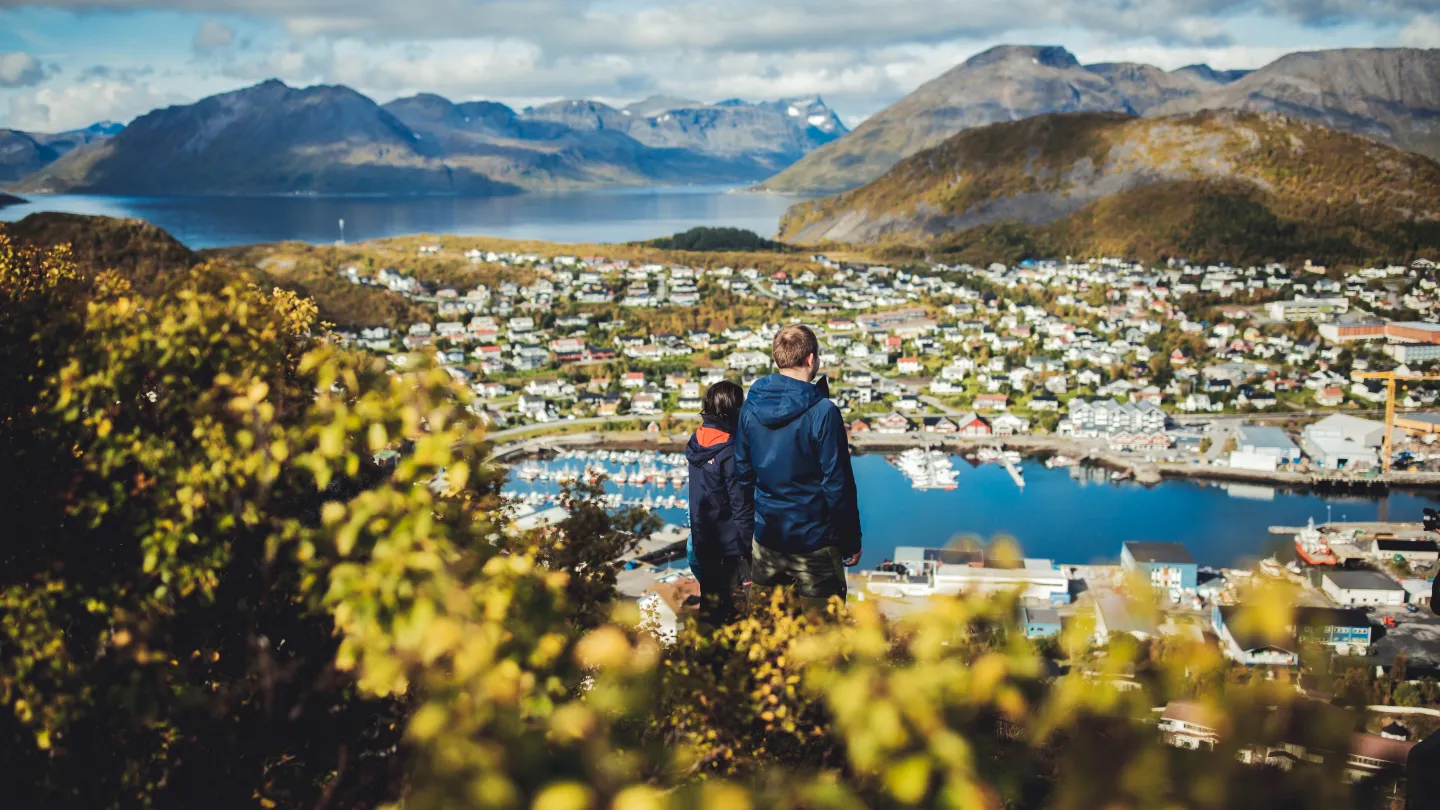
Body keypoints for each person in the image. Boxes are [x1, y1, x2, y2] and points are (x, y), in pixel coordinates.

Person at [735, 324, 862, 612]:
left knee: (765, 634)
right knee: (821, 637)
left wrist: (748, 534)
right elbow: (837, 484)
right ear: (811, 359)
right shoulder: (824, 412)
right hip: (814, 541)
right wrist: (851, 540)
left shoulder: (749, 407)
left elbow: (742, 475)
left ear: (778, 359)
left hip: (767, 538)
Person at [685, 380, 753, 623]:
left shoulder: (697, 442)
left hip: (704, 543)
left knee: (711, 610)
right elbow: (741, 506)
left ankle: (707, 657)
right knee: (737, 616)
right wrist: (750, 548)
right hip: (731, 550)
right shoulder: (730, 450)